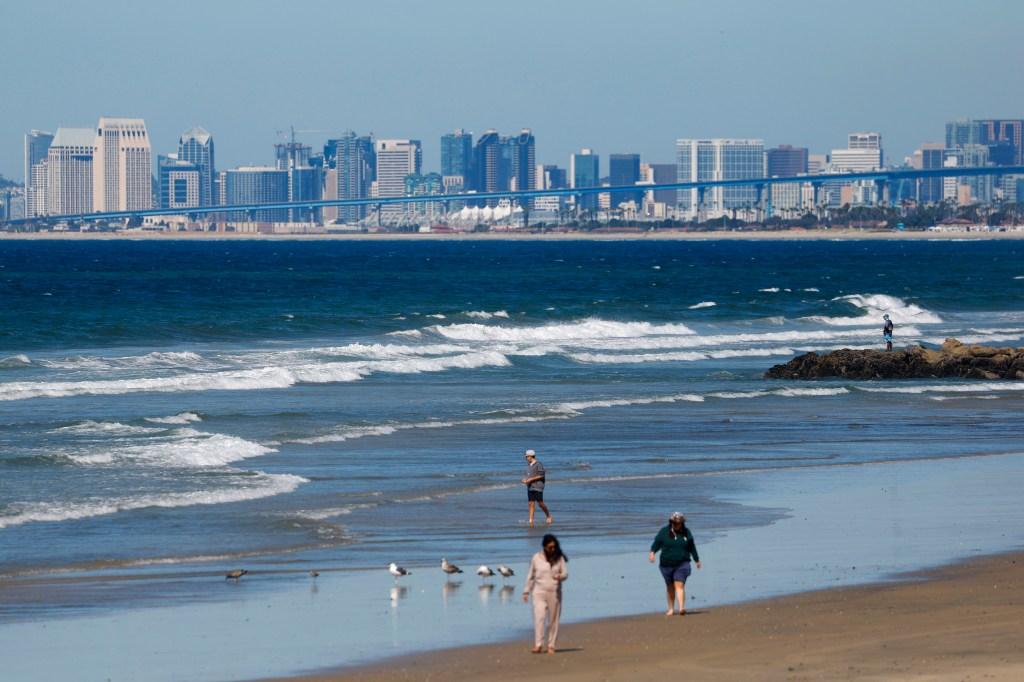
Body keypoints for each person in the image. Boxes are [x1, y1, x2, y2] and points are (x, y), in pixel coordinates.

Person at [523, 534, 568, 653]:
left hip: (554, 592)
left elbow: (565, 573)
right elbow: (531, 575)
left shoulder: (559, 558)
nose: (552, 549)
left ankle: (551, 645)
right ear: (544, 546)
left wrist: (560, 577)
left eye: (554, 547)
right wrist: (526, 590)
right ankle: (538, 645)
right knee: (539, 618)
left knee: (553, 620)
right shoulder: (536, 558)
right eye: (550, 547)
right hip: (539, 592)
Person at [649, 512, 701, 616]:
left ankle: (681, 608)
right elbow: (657, 543)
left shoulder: (687, 532)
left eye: (679, 523)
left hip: (682, 563)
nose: (677, 525)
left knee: (679, 584)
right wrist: (652, 553)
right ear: (671, 522)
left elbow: (692, 547)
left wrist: (697, 560)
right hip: (666, 564)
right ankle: (671, 609)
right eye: (675, 523)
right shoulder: (664, 532)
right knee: (670, 586)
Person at [522, 449, 552, 524]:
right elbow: (529, 475)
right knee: (531, 504)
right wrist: (526, 479)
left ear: (530, 456)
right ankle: (531, 521)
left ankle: (548, 515)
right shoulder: (529, 465)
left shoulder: (538, 464)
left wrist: (531, 479)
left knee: (540, 503)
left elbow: (541, 475)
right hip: (530, 487)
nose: (526, 458)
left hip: (538, 486)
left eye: (526, 456)